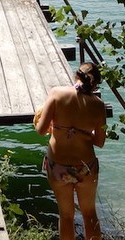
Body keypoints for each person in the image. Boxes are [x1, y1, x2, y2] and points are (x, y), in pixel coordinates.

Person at [34, 62, 107, 240]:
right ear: (95, 84)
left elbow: (41, 130)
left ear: (76, 76)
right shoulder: (98, 105)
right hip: (86, 166)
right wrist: (82, 134)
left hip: (58, 165)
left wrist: (59, 129)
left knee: (66, 215)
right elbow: (100, 142)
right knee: (89, 213)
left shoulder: (56, 94)